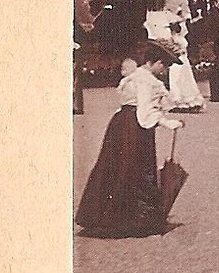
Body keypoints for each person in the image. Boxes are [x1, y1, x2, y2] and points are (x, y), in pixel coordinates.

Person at [76, 43, 183, 237]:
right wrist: (167, 123)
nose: (164, 70)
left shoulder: (134, 77)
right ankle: (132, 219)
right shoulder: (147, 81)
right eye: (164, 65)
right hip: (135, 127)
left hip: (120, 124)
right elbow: (145, 111)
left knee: (115, 165)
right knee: (135, 168)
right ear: (155, 62)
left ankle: (102, 215)